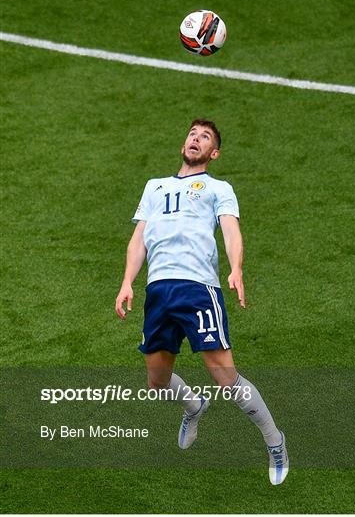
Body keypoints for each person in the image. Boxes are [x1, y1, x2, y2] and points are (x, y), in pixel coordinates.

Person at [115, 119, 289, 485]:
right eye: (193, 134)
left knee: (223, 375)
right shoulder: (154, 187)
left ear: (214, 153)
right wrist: (127, 281)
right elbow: (138, 239)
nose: (196, 138)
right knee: (156, 381)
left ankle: (275, 441)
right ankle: (193, 405)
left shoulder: (218, 188)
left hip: (197, 288)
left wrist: (237, 269)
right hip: (159, 290)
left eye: (205, 137)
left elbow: (230, 230)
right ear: (184, 144)